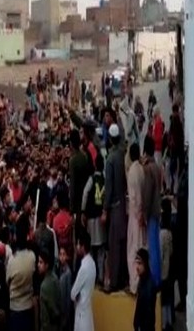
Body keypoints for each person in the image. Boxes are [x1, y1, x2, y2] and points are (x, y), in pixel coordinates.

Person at [102, 124, 128, 292]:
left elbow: (109, 187)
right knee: (123, 243)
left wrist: (105, 210)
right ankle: (123, 278)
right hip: (123, 204)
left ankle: (114, 283)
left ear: (110, 139)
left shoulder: (111, 158)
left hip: (115, 207)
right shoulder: (122, 154)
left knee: (114, 246)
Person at [6, 214, 36, 331]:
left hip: (15, 308)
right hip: (28, 307)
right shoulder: (32, 257)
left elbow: (7, 281)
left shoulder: (12, 260)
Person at [81, 153, 106, 285]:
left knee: (91, 249)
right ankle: (101, 277)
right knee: (101, 249)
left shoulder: (91, 179)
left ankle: (92, 276)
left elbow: (85, 194)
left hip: (91, 218)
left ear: (95, 165)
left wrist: (83, 211)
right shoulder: (104, 180)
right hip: (101, 217)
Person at [142, 136, 162, 288]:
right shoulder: (157, 167)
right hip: (157, 209)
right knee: (156, 245)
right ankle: (158, 276)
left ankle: (155, 280)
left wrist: (144, 213)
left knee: (153, 247)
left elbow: (147, 194)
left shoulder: (148, 169)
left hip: (151, 212)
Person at [126, 143, 146, 295]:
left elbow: (134, 197)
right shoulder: (140, 169)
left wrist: (138, 214)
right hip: (141, 215)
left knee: (133, 249)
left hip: (135, 216)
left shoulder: (132, 171)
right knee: (140, 246)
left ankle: (135, 284)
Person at [71, 233, 96, 331]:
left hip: (81, 313)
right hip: (88, 310)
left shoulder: (84, 268)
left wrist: (75, 295)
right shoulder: (92, 263)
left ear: (83, 247)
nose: (77, 247)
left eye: (78, 244)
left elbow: (73, 293)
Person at [133, 248, 157, 331]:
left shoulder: (149, 285)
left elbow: (148, 314)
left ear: (145, 264)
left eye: (140, 263)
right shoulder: (142, 280)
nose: (137, 267)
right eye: (136, 263)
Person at [38, 249, 62, 331]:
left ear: (47, 265)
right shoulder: (55, 278)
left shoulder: (44, 286)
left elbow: (45, 316)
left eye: (41, 262)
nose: (38, 265)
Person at [160, 200, 174, 331]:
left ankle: (164, 324)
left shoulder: (162, 234)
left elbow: (160, 254)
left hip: (163, 272)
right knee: (169, 298)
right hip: (170, 271)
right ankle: (169, 322)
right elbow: (170, 252)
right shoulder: (170, 231)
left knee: (163, 299)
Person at [58, 247, 73, 331]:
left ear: (67, 256)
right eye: (60, 254)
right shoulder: (60, 269)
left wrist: (67, 313)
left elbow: (68, 294)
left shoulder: (68, 273)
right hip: (60, 307)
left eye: (64, 254)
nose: (62, 257)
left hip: (65, 308)